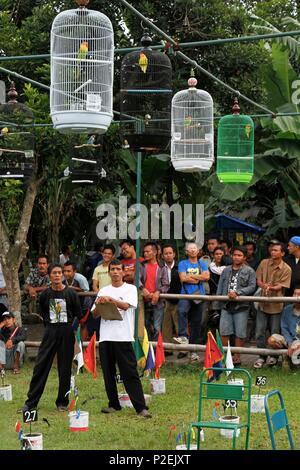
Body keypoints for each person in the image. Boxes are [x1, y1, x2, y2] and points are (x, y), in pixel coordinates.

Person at [92, 259, 151, 418]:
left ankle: (140, 407)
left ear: (123, 272)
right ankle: (113, 404)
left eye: (118, 269)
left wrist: (111, 300)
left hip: (123, 337)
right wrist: (99, 303)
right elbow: (94, 314)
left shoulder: (130, 289)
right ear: (109, 272)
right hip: (106, 337)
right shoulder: (103, 290)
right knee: (108, 373)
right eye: (113, 269)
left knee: (129, 372)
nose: (116, 272)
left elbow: (126, 306)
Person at [20, 264, 82, 413]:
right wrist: (50, 328)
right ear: (49, 275)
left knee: (65, 369)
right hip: (50, 332)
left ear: (62, 275)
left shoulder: (71, 294)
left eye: (59, 273)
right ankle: (31, 403)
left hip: (66, 333)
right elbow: (44, 313)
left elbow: (78, 314)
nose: (57, 275)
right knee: (41, 366)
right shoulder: (45, 295)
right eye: (54, 273)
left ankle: (62, 402)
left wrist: (71, 329)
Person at [254, 242, 292, 368]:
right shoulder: (264, 263)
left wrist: (271, 288)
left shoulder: (286, 268)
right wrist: (264, 285)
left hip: (276, 305)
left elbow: (282, 286)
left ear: (282, 253)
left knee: (275, 332)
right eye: (272, 250)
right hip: (262, 303)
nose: (273, 252)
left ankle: (274, 357)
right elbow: (258, 280)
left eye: (276, 250)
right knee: (259, 331)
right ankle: (261, 356)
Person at [217, 246, 256, 365]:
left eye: (239, 255)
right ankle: (224, 356)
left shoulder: (249, 271)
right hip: (226, 305)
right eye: (234, 255)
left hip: (241, 306)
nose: (236, 257)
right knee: (224, 331)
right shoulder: (226, 270)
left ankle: (237, 357)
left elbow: (252, 287)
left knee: (240, 333)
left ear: (244, 257)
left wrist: (238, 293)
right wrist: (218, 300)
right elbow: (221, 285)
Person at [175, 242, 209, 362]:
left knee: (197, 322)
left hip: (199, 296)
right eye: (190, 249)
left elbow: (207, 277)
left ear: (198, 251)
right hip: (186, 294)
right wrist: (198, 277)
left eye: (195, 248)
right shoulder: (183, 263)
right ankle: (183, 336)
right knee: (181, 312)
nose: (193, 251)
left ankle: (193, 351)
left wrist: (191, 277)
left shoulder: (203, 263)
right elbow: (183, 278)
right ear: (187, 252)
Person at [140, 242, 169, 341]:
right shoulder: (142, 266)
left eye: (148, 251)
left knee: (157, 327)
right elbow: (137, 280)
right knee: (145, 325)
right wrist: (143, 289)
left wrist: (158, 292)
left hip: (158, 301)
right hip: (144, 300)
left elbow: (166, 284)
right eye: (144, 252)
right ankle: (147, 351)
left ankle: (156, 351)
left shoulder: (162, 267)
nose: (145, 254)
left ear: (155, 252)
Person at [268, 287, 300, 366]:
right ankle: (286, 356)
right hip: (289, 340)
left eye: (299, 294)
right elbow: (284, 329)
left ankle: (292, 360)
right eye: (295, 294)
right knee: (271, 340)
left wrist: (297, 345)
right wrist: (290, 344)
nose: (296, 296)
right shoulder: (287, 309)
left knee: (296, 360)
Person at [161, 244, 181, 354]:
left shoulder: (180, 266)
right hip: (164, 299)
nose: (168, 255)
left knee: (179, 324)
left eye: (170, 253)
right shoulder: (160, 267)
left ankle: (183, 349)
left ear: (174, 254)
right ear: (162, 255)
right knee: (166, 325)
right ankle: (167, 349)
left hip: (178, 298)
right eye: (166, 253)